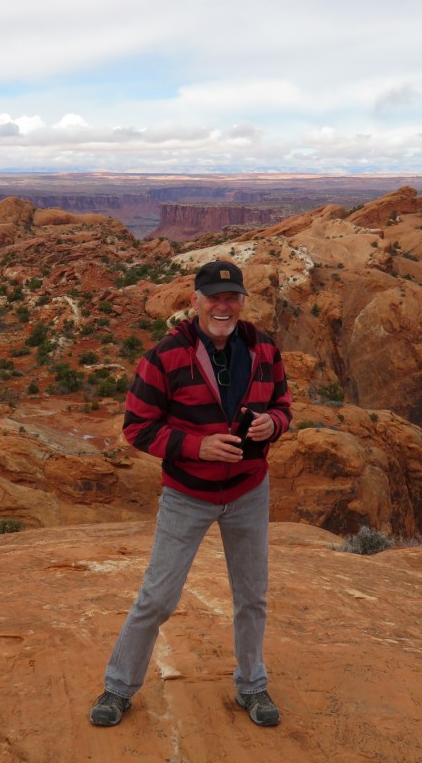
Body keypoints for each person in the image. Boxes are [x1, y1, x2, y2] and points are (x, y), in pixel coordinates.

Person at [89, 259, 292, 728]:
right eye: (214, 298)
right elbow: (136, 428)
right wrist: (198, 446)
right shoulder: (165, 356)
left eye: (232, 298)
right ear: (195, 300)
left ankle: (252, 686)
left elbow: (283, 406)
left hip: (247, 491)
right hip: (187, 494)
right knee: (157, 598)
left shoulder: (264, 349)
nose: (224, 306)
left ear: (242, 301)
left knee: (252, 596)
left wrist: (271, 424)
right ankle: (118, 688)